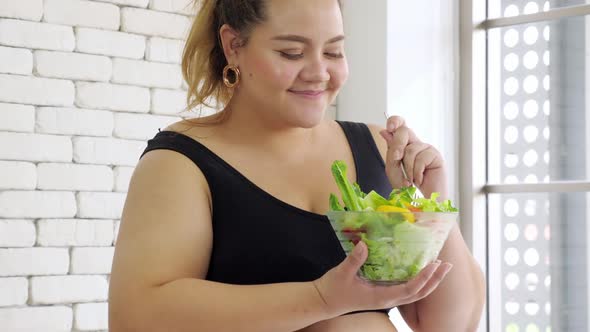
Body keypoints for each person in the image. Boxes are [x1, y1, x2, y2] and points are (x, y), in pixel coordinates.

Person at [108, 0, 486, 331]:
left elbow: (448, 324)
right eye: (292, 53)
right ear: (233, 46)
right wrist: (321, 299)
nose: (319, 72)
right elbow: (137, 318)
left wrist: (430, 199)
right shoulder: (182, 162)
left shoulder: (375, 148)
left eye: (334, 52)